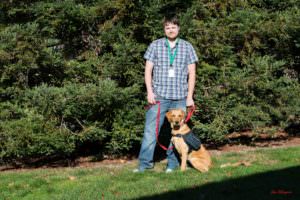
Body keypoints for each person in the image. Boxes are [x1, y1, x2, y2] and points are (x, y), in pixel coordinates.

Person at [134, 15, 198, 173]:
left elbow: (192, 73)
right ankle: (144, 165)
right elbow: (148, 70)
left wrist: (190, 97)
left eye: (174, 27)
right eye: (168, 27)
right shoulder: (155, 45)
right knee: (150, 131)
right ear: (164, 30)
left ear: (179, 29)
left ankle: (172, 164)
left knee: (178, 134)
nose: (171, 30)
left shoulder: (187, 47)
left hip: (180, 97)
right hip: (159, 97)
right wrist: (149, 92)